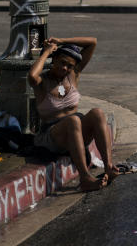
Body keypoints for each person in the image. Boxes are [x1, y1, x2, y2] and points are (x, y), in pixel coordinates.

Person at [27, 36, 119, 191]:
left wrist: (61, 41)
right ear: (54, 59)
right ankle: (85, 177)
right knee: (74, 121)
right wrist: (47, 52)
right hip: (52, 136)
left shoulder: (73, 75)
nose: (65, 68)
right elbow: (31, 76)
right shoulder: (42, 82)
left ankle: (108, 167)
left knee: (97, 113)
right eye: (62, 63)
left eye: (69, 66)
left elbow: (93, 42)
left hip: (76, 133)